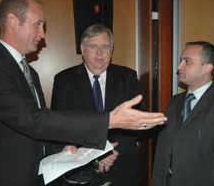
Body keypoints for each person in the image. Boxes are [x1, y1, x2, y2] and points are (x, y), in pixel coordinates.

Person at [0, 0, 167, 186]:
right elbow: (30, 119)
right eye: (38, 24)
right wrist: (109, 120)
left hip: (39, 174)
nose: (42, 33)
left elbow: (41, 125)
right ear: (13, 21)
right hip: (2, 176)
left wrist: (62, 148)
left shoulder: (29, 71)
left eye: (105, 47)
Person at [50, 24, 145, 186]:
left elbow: (138, 118)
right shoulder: (64, 79)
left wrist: (113, 151)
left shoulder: (128, 77)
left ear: (112, 50)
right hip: (82, 169)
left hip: (122, 165)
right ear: (82, 49)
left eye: (105, 47)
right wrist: (94, 153)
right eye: (93, 46)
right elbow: (59, 122)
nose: (99, 53)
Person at [151, 41, 214, 186]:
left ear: (207, 68)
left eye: (187, 61)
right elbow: (163, 151)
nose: (179, 66)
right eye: (180, 60)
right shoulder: (174, 102)